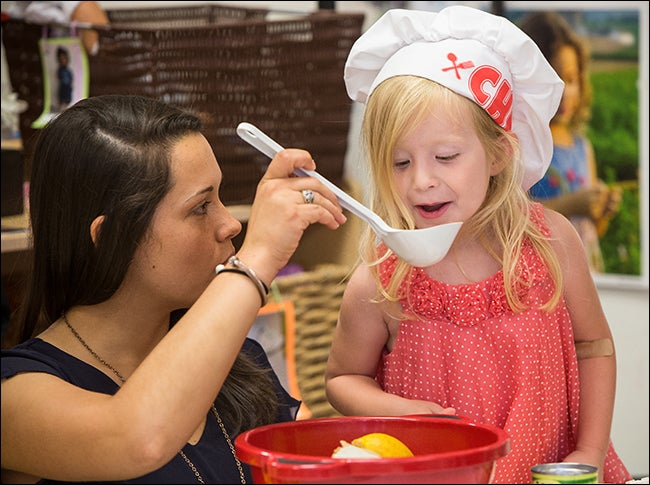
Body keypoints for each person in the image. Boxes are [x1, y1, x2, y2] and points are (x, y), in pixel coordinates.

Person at [324, 6, 632, 484]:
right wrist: (402, 411)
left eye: (445, 156)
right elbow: (342, 380)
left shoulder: (551, 243)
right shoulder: (383, 276)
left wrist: (588, 449)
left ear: (498, 153)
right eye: (400, 162)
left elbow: (593, 346)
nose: (421, 181)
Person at [0, 94, 346, 483]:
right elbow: (136, 439)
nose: (230, 224)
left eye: (220, 196)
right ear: (112, 236)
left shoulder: (238, 362)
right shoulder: (16, 393)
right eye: (200, 207)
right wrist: (255, 260)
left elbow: (317, 463)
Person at [520, 11, 622, 273]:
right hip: (542, 272)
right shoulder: (521, 144)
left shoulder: (582, 147)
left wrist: (601, 210)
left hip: (584, 271)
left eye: (571, 79)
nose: (564, 90)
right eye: (553, 78)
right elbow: (511, 219)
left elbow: (593, 229)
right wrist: (573, 204)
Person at [55, 45, 72, 110]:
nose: (63, 60)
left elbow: (71, 79)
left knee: (67, 102)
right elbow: (58, 77)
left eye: (64, 58)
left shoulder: (68, 70)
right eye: (61, 59)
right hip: (63, 89)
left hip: (68, 89)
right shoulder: (60, 70)